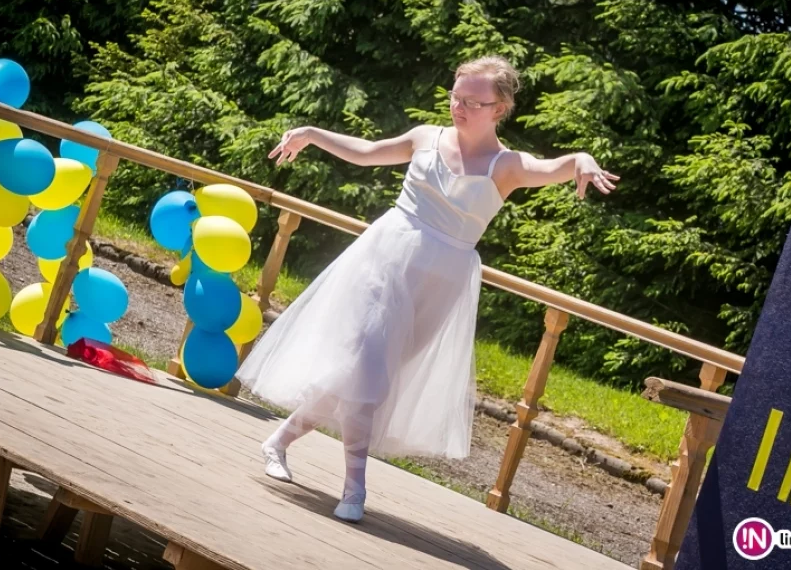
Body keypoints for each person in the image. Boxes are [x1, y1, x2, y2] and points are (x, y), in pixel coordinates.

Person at [235, 55, 619, 523]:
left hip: (443, 280)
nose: (460, 107)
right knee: (368, 372)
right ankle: (354, 489)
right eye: (456, 96)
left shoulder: (508, 166)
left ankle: (278, 440)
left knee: (361, 377)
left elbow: (555, 166)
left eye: (473, 102)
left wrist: (581, 159)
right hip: (385, 258)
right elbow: (368, 151)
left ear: (499, 108)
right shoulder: (426, 137)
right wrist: (312, 133)